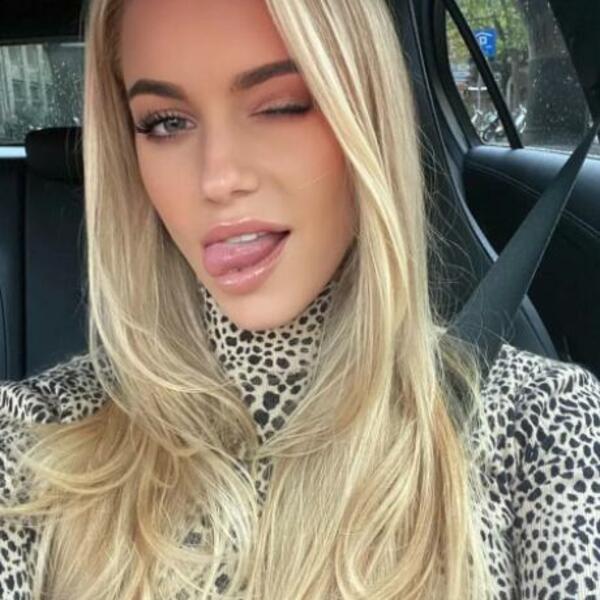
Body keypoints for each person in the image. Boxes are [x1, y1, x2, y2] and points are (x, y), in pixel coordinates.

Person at [0, 0, 599, 598]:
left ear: (365, 113)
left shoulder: (546, 427)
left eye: (280, 106)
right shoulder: (33, 437)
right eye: (165, 123)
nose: (217, 178)